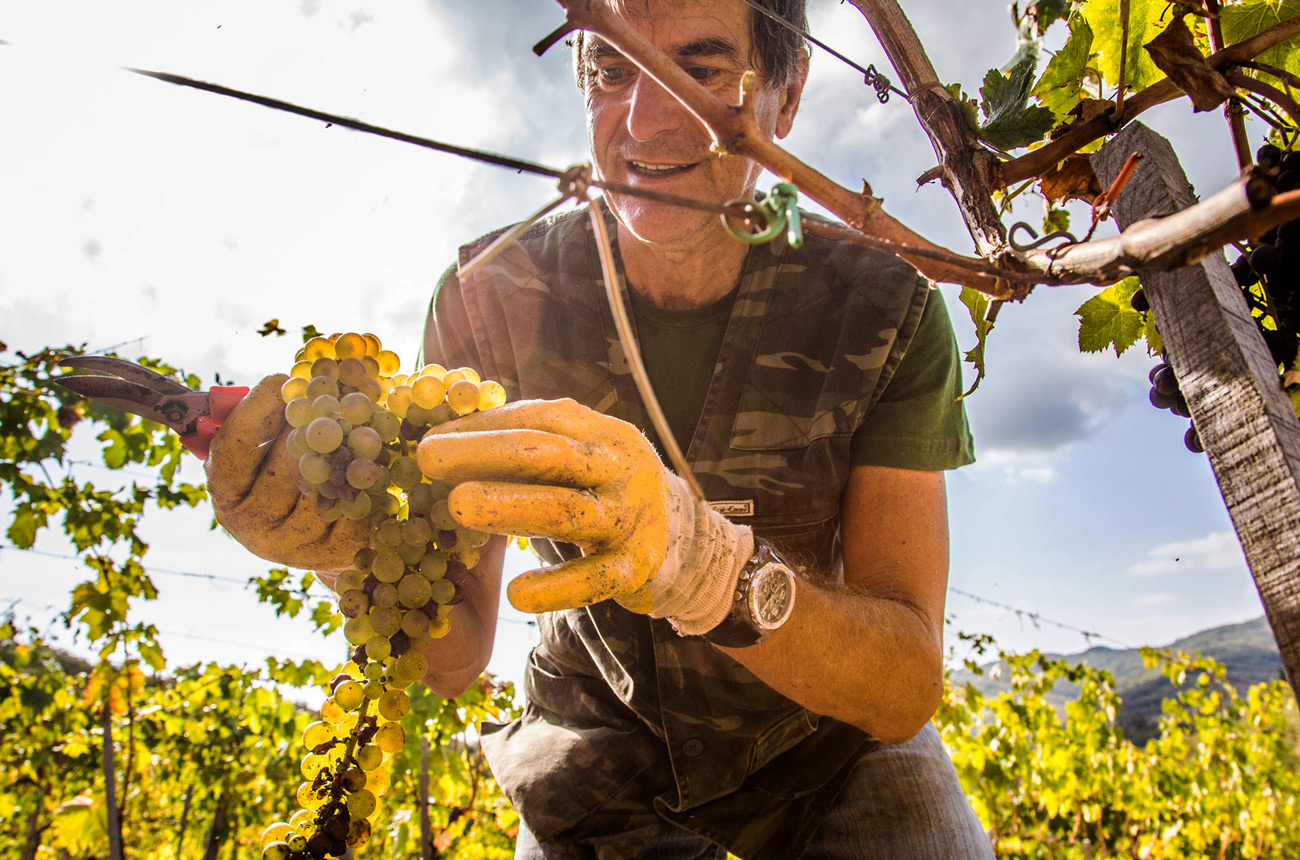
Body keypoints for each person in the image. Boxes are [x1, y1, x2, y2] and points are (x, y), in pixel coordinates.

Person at [208, 1, 994, 858]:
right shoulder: (486, 297)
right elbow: (455, 656)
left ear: (789, 94)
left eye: (698, 72)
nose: (644, 120)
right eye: (613, 72)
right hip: (595, 764)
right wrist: (342, 551)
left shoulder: (884, 308)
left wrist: (708, 571)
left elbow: (900, 689)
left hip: (827, 747)